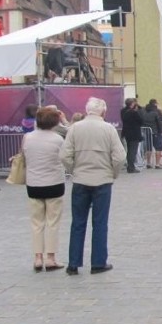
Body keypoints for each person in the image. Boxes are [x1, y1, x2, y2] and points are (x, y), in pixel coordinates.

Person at [60, 97, 126, 276]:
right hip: (102, 181)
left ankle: (73, 264)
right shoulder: (109, 129)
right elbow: (120, 157)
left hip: (81, 181)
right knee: (100, 223)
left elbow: (65, 156)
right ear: (103, 112)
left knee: (77, 223)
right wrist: (113, 173)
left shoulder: (74, 128)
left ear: (86, 110)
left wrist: (74, 170)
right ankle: (98, 262)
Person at [22, 106, 66, 272]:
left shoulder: (27, 138)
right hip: (54, 183)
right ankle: (51, 257)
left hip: (33, 184)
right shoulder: (58, 140)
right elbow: (63, 159)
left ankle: (37, 257)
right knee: (52, 222)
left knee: (36, 223)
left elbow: (24, 158)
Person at [142, 99, 162, 169]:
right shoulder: (157, 112)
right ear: (155, 104)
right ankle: (157, 164)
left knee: (149, 147)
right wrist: (161, 131)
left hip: (147, 132)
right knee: (158, 148)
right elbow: (159, 122)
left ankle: (148, 163)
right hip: (156, 132)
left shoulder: (144, 111)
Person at [121, 98, 143, 173]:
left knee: (129, 150)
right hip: (134, 134)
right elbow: (140, 121)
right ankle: (131, 167)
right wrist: (137, 111)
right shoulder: (133, 112)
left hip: (127, 133)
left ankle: (129, 166)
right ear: (132, 104)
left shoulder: (123, 111)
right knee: (133, 151)